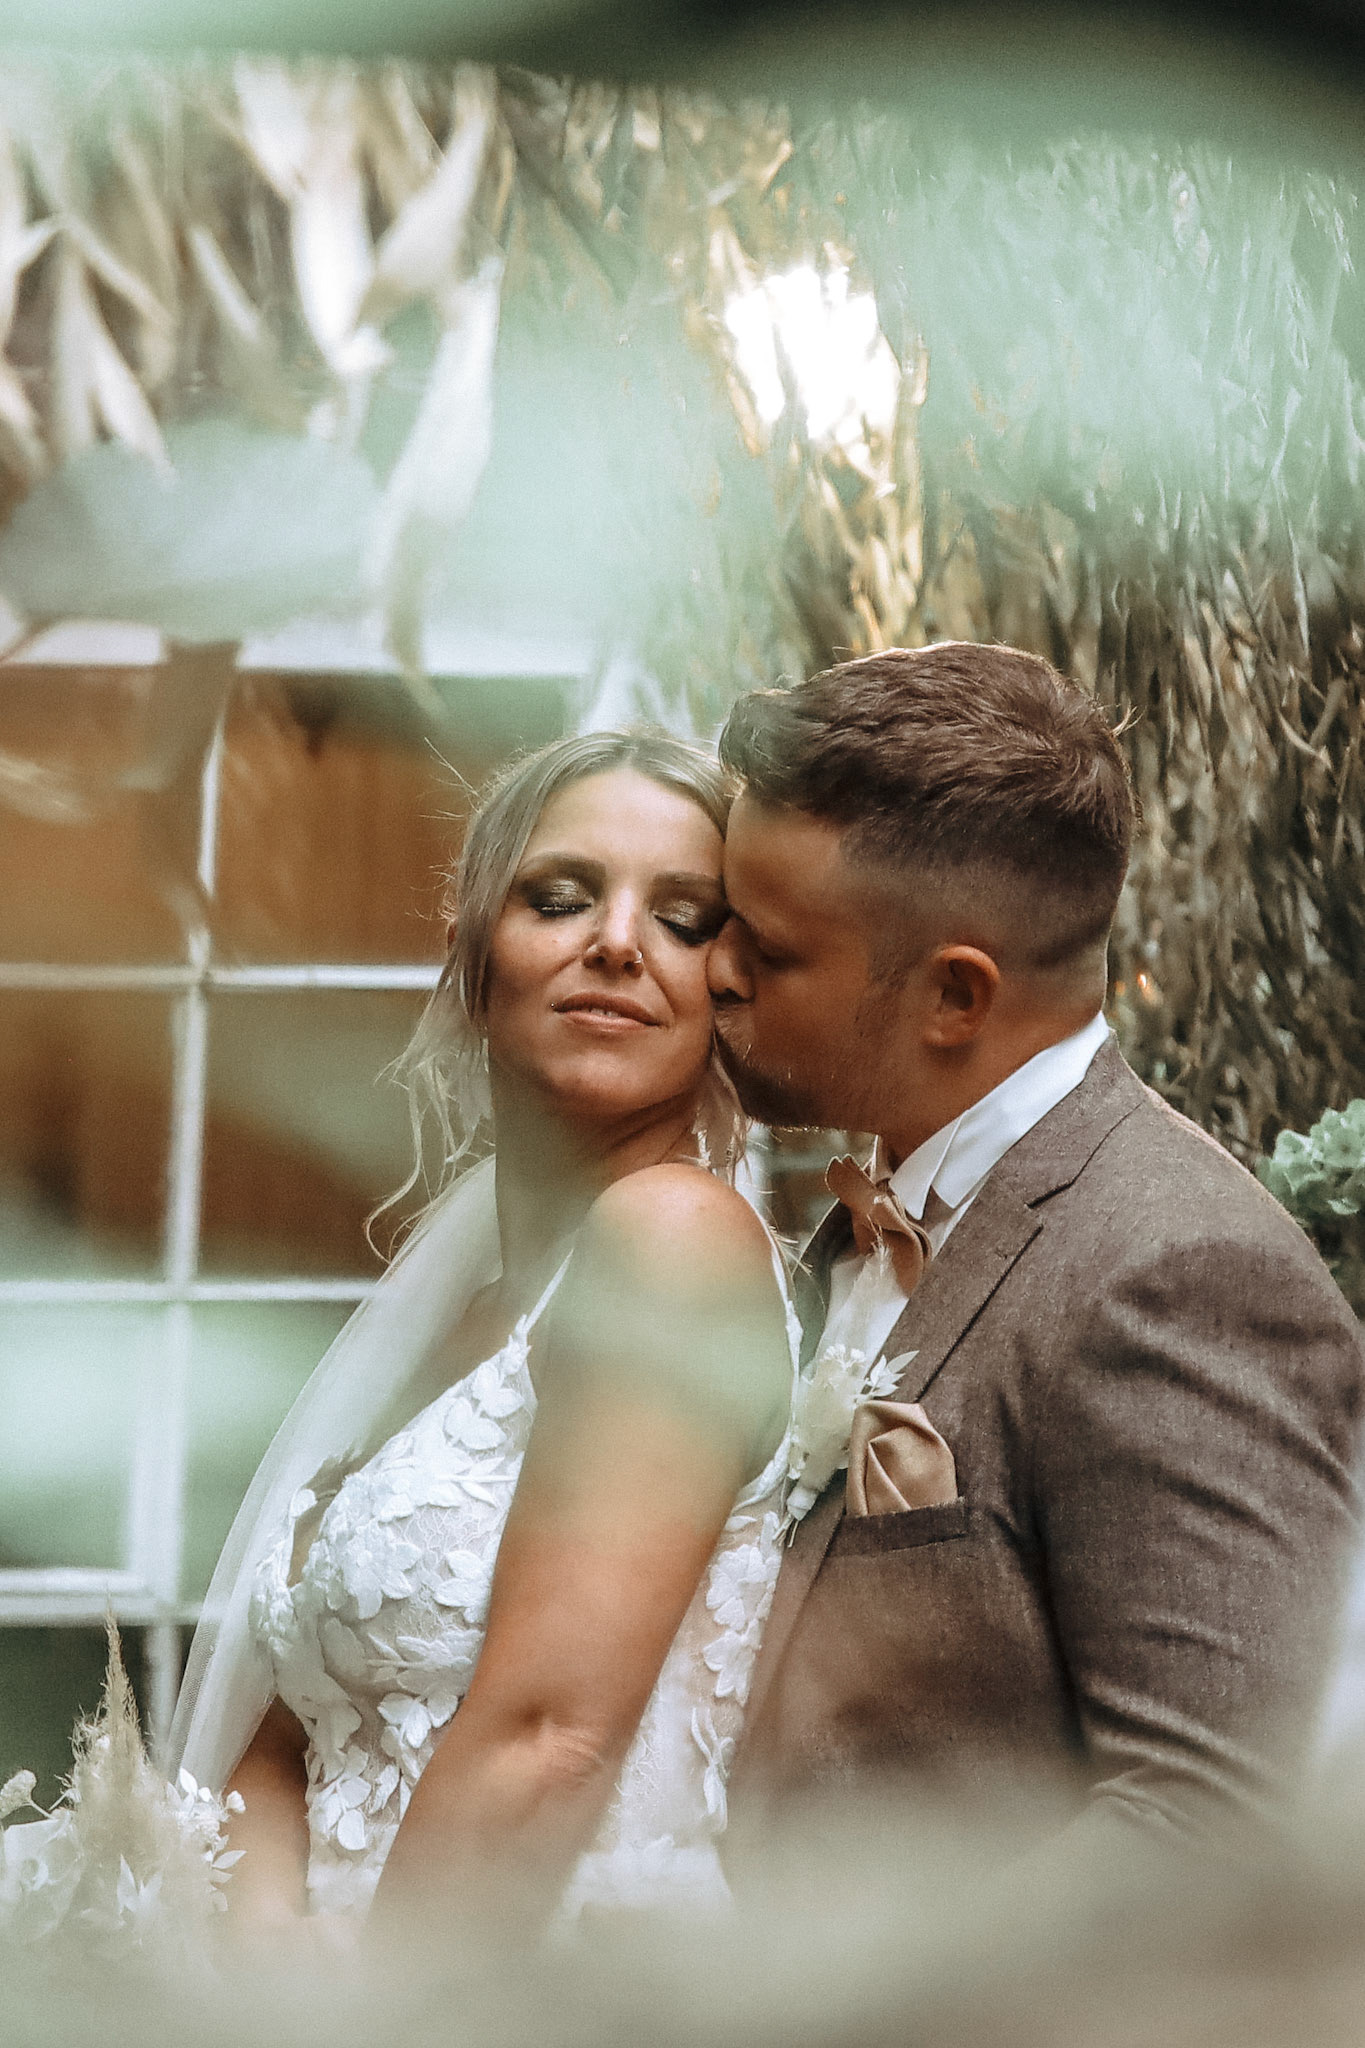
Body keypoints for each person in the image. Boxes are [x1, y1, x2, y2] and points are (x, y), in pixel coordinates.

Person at [706, 641, 1365, 1857]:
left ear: (956, 997)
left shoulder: (1181, 1275)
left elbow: (1200, 1830)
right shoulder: (861, 1218)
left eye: (769, 947)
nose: (714, 970)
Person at [166, 730, 804, 1948]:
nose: (617, 941)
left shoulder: (674, 1243)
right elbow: (292, 1729)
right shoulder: (456, 1311)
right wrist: (261, 1967)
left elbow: (547, 1743)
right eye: (560, 897)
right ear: (472, 961)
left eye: (682, 919)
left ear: (730, 998)